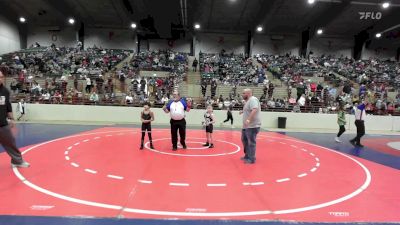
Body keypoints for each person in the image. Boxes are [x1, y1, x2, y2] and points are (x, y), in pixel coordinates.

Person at [0, 67, 30, 168]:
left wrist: (12, 119)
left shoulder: (5, 91)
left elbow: (8, 106)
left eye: (1, 77)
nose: (0, 79)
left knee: (10, 142)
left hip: (2, 124)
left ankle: (17, 161)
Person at [239, 89, 261, 164]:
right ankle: (247, 155)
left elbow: (254, 109)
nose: (242, 94)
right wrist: (243, 111)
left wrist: (248, 119)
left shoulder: (253, 100)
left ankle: (251, 159)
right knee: (244, 140)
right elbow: (249, 109)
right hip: (246, 126)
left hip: (252, 126)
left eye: (243, 93)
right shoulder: (248, 101)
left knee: (251, 142)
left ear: (248, 93)